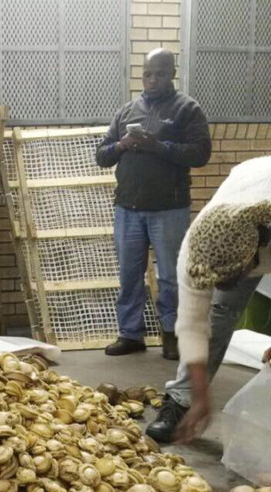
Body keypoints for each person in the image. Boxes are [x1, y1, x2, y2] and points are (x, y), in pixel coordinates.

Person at [95, 48, 211, 360]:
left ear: (172, 73)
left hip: (169, 209)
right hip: (127, 209)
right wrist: (122, 144)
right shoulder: (127, 110)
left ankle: (172, 335)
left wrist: (159, 146)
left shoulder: (188, 109)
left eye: (160, 73)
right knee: (129, 276)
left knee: (171, 277)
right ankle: (131, 334)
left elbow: (200, 154)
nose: (153, 79)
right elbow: (101, 155)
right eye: (148, 74)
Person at [146, 157, 271, 443]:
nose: (220, 285)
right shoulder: (196, 249)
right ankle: (180, 399)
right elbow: (192, 325)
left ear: (253, 254)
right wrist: (200, 394)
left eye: (229, 276)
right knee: (219, 310)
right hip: (247, 206)